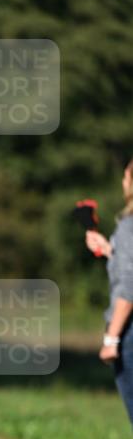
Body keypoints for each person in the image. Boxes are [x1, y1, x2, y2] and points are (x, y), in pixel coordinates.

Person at [85, 158, 133, 425]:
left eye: (126, 177)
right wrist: (110, 251)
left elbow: (130, 285)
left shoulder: (128, 226)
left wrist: (111, 339)